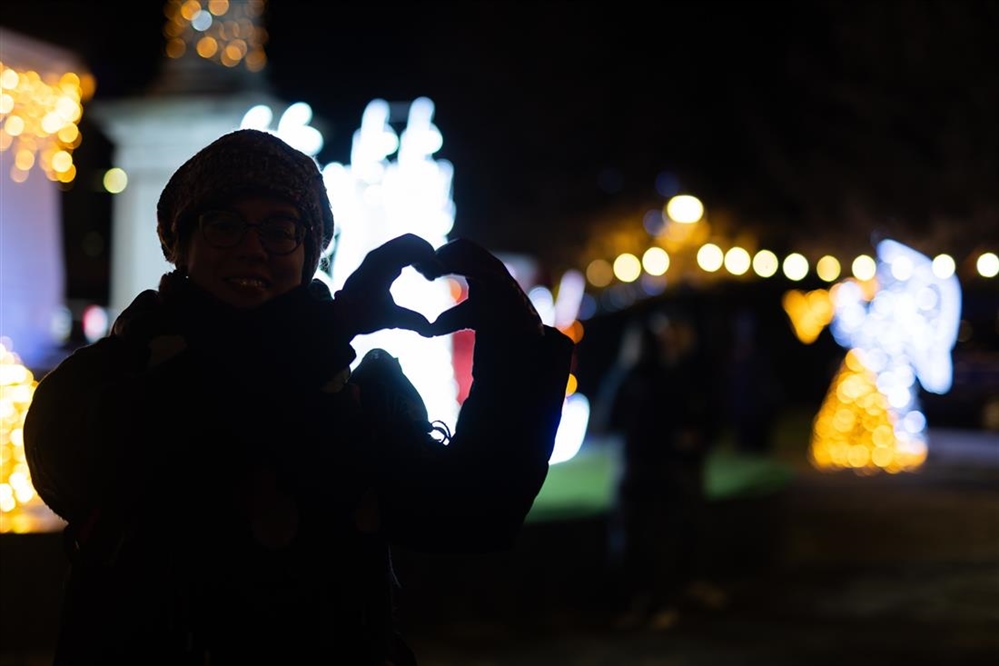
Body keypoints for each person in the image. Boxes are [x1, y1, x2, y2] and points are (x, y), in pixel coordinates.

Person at [23, 128, 574, 665]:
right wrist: (328, 331)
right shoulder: (104, 378)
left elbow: (473, 513)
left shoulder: (363, 396)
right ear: (181, 246)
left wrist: (517, 351)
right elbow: (143, 443)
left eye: (281, 229)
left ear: (308, 254)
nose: (252, 249)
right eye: (223, 225)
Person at [606, 309, 724, 631]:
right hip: (654, 468)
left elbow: (614, 419)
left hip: (652, 468)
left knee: (655, 537)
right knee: (653, 538)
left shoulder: (654, 377)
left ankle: (654, 599)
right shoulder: (649, 378)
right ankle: (651, 601)